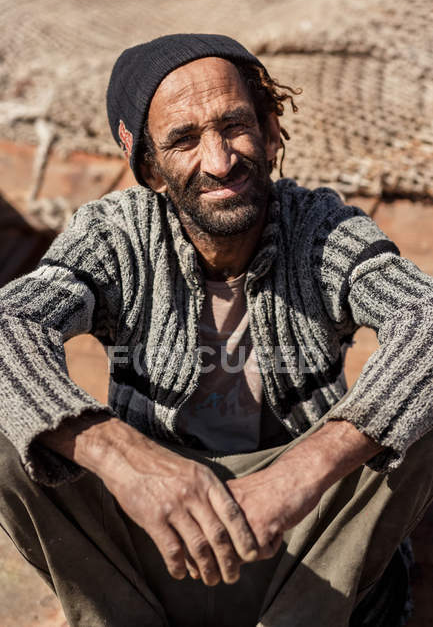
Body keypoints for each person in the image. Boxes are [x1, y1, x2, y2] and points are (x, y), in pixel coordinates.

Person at [0, 33, 432, 627]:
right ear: (148, 166)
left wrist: (295, 478)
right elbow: (9, 322)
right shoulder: (116, 236)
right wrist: (127, 460)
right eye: (183, 140)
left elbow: (426, 320)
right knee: (14, 424)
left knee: (418, 412)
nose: (220, 161)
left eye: (234, 126)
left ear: (271, 132)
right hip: (151, 533)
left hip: (302, 540)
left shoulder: (321, 229)